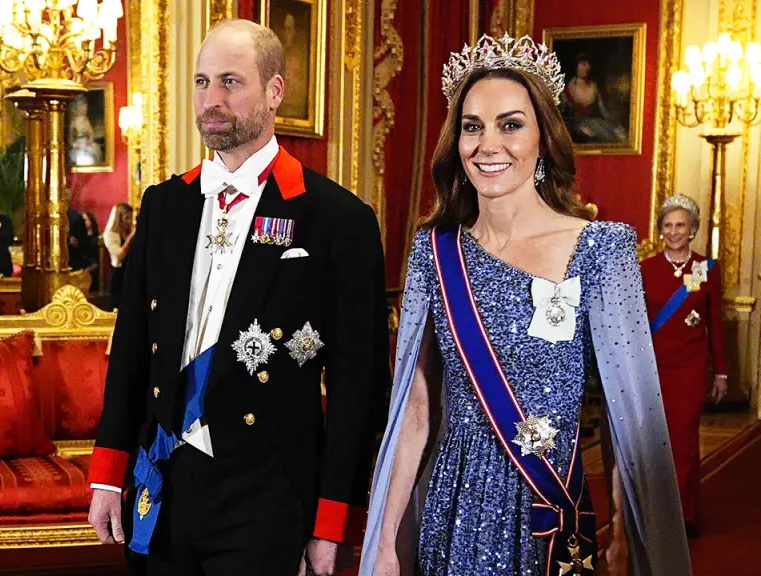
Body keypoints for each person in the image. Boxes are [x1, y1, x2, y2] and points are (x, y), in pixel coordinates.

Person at [361, 34, 689, 576]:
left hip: (552, 507)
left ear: (543, 138)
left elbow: (625, 413)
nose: (488, 144)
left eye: (510, 124)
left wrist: (625, 533)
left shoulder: (602, 249)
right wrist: (384, 540)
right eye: (472, 126)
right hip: (455, 507)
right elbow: (414, 409)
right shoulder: (434, 251)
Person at [86, 19, 389, 576]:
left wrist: (331, 524)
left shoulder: (335, 219)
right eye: (202, 82)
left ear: (275, 92)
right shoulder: (164, 205)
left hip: (266, 493)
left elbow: (357, 389)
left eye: (230, 81)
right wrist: (108, 472)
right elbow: (131, 348)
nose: (212, 100)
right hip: (162, 481)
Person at [640, 194, 727, 538]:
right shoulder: (644, 268)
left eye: (681, 225)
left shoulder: (708, 269)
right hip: (653, 365)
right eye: (667, 225)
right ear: (660, 229)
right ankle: (653, 512)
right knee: (651, 440)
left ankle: (683, 513)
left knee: (684, 440)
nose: (674, 232)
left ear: (693, 230)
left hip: (690, 367)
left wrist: (720, 370)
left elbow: (715, 322)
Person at [102, 203, 134, 308]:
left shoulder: (128, 231)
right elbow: (119, 255)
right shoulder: (110, 235)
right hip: (120, 274)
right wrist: (131, 237)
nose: (129, 222)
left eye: (131, 218)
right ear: (119, 219)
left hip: (131, 272)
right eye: (126, 218)